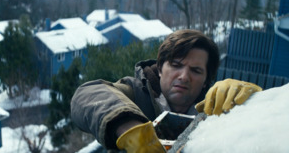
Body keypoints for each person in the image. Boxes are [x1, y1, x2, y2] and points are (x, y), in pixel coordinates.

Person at [70, 29, 262, 152]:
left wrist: (253, 104)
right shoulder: (135, 92)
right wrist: (126, 125)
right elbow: (86, 96)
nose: (184, 76)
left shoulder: (217, 109)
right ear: (160, 68)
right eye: (176, 65)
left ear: (206, 81)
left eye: (195, 70)